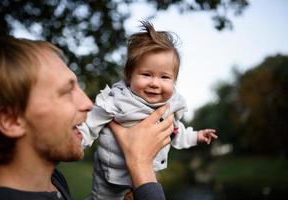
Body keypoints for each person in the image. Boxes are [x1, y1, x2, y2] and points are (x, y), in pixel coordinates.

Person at [0, 36, 173, 200]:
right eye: (67, 91)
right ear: (10, 120)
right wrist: (141, 166)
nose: (88, 104)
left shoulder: (52, 180)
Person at [79, 21, 218, 200]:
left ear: (174, 81)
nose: (154, 83)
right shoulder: (118, 99)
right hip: (111, 171)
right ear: (130, 76)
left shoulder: (170, 106)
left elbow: (175, 132)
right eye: (146, 74)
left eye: (165, 77)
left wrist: (196, 136)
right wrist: (79, 139)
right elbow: (92, 121)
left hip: (145, 173)